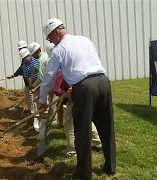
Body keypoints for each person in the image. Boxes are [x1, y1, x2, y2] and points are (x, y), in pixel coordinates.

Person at [39, 18, 116, 179]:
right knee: (106, 127)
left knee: (82, 131)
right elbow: (86, 64)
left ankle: (84, 173)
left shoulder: (59, 50)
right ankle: (110, 166)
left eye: (50, 38)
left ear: (56, 32)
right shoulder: (85, 40)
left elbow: (49, 76)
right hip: (103, 82)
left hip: (84, 89)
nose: (51, 42)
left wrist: (42, 100)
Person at [7, 40, 35, 114]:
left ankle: (33, 112)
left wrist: (31, 84)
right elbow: (22, 69)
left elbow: (34, 71)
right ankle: (30, 110)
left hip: (33, 82)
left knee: (32, 96)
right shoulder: (24, 59)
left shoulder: (31, 58)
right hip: (28, 82)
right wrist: (14, 75)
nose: (20, 50)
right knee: (28, 95)